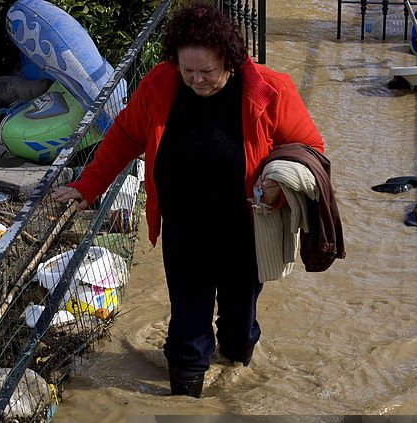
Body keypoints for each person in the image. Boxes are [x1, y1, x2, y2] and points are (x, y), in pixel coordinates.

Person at [52, 3, 325, 398]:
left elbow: (308, 146)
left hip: (245, 231)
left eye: (207, 72)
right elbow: (126, 135)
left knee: (238, 327)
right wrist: (87, 185)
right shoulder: (161, 84)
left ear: (229, 60)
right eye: (187, 70)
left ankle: (236, 371)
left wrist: (279, 184)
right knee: (187, 323)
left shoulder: (269, 89)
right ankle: (186, 401)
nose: (196, 79)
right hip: (184, 227)